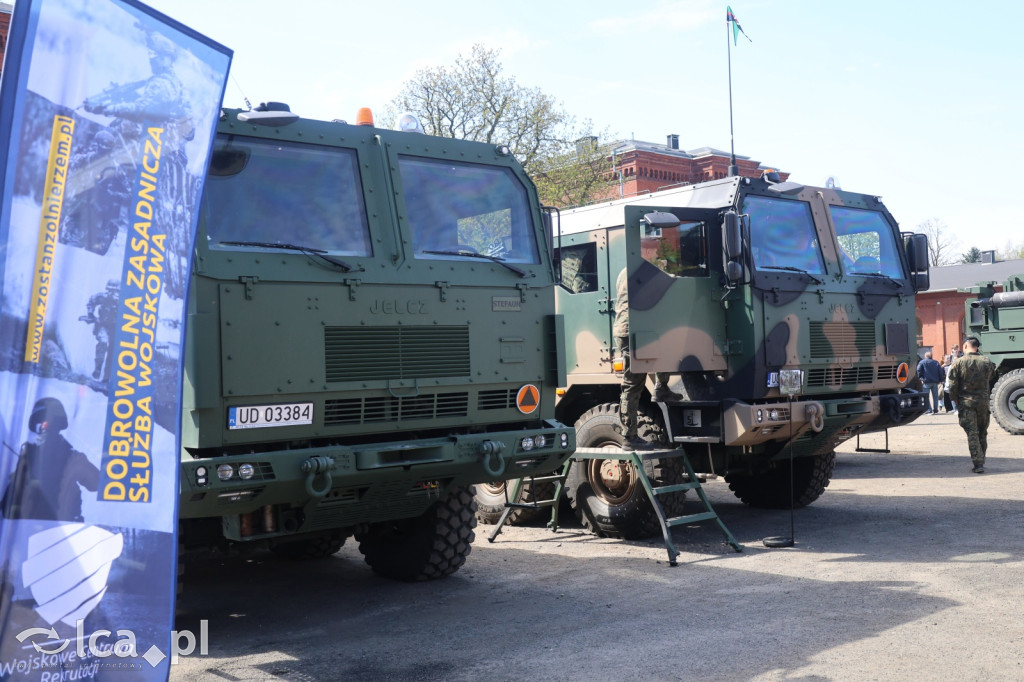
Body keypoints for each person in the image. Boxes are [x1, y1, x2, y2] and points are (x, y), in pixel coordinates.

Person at [614, 268, 682, 449]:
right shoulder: (643, 270)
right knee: (633, 384)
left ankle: (662, 387)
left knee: (664, 347)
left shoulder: (625, 270)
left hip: (636, 328)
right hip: (632, 330)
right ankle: (629, 436)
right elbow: (666, 284)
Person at [0, 397, 99, 521]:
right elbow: (7, 507)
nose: (41, 430)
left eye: (45, 425)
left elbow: (96, 483)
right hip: (25, 529)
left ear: (57, 425)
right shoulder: (28, 456)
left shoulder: (72, 457)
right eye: (38, 426)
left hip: (61, 531)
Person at [947, 337, 997, 473]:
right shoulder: (987, 362)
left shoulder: (958, 363)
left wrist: (954, 399)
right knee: (982, 432)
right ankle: (981, 460)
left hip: (966, 402)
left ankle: (978, 463)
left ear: (965, 346)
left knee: (972, 433)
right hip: (983, 403)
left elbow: (952, 384)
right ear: (977, 347)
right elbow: (991, 377)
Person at [81, 280, 120, 380]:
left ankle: (106, 377)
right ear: (107, 290)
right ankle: (98, 368)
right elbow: (91, 301)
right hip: (103, 325)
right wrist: (90, 313)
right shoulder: (102, 297)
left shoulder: (124, 301)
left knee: (112, 352)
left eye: (116, 291)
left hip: (116, 329)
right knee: (102, 343)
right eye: (111, 290)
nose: (113, 294)